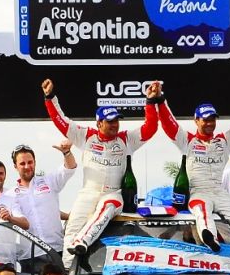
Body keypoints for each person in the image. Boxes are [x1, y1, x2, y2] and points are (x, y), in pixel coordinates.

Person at [42, 79, 159, 260]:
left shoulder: (126, 139)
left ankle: (83, 241)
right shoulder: (85, 136)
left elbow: (150, 128)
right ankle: (67, 272)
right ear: (99, 124)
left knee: (108, 206)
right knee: (71, 230)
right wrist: (50, 98)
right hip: (88, 192)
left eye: (117, 121)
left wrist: (150, 103)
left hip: (114, 193)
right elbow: (61, 121)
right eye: (110, 121)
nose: (114, 125)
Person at [158, 76, 230, 250]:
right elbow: (168, 124)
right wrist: (160, 100)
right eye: (205, 119)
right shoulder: (188, 140)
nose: (210, 123)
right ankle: (211, 241)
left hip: (219, 192)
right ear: (196, 120)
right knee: (202, 215)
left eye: (212, 119)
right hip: (198, 191)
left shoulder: (224, 140)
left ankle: (222, 250)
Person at [5, 141, 77, 252]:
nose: (27, 166)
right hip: (29, 254)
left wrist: (67, 152)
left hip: (56, 249)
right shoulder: (10, 194)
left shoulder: (49, 181)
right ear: (15, 166)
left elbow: (70, 168)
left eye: (30, 162)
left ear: (35, 162)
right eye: (22, 164)